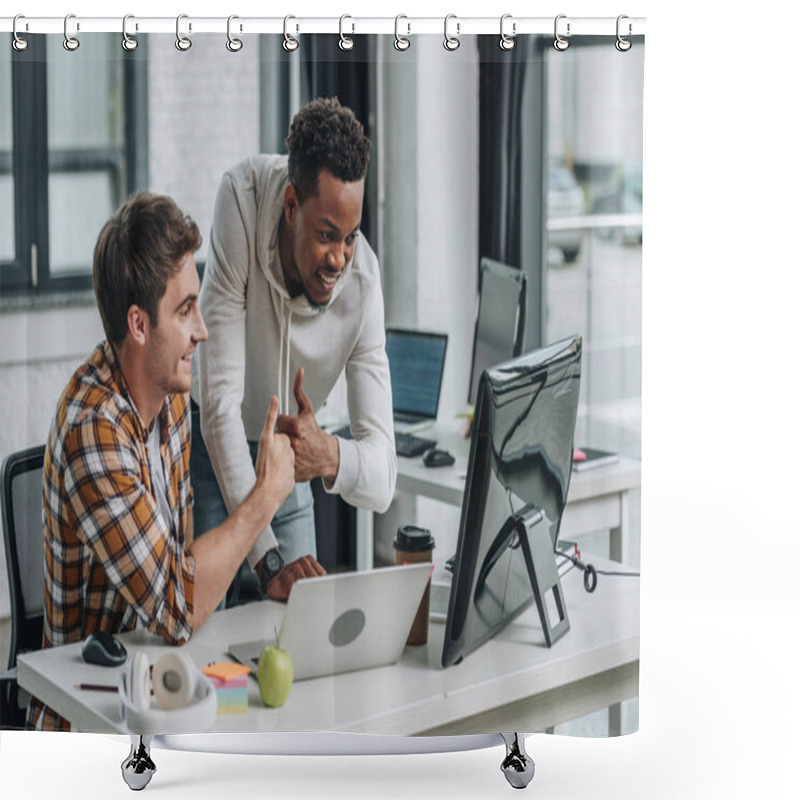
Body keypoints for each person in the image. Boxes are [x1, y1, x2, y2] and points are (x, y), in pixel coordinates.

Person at [28, 193, 323, 731]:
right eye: (185, 310)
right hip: (91, 723)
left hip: (159, 685)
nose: (202, 330)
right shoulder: (92, 426)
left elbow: (178, 588)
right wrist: (264, 500)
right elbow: (178, 607)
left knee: (284, 723)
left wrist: (268, 566)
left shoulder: (170, 405)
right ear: (139, 325)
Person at [191, 97, 396, 602]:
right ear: (289, 205)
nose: (340, 259)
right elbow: (218, 410)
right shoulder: (241, 200)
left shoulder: (363, 284)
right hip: (211, 451)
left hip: (288, 463)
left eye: (350, 237)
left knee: (298, 634)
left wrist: (326, 455)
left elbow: (384, 478)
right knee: (202, 636)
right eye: (327, 235)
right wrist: (267, 558)